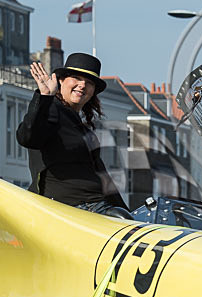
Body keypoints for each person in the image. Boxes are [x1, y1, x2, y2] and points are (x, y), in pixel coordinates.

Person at [17, 53, 130, 217]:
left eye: (89, 83)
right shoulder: (50, 110)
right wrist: (44, 97)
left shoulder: (84, 130)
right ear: (61, 81)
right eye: (76, 78)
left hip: (97, 205)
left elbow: (104, 179)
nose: (82, 85)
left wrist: (131, 219)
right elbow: (28, 137)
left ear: (93, 91)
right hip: (71, 207)